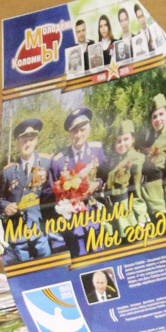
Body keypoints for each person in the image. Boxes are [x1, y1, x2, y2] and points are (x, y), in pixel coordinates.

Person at [0, 118, 52, 264]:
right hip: (18, 236)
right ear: (17, 142)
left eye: (31, 139)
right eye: (24, 139)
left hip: (41, 233)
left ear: (36, 140)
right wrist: (5, 206)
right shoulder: (8, 171)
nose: (27, 143)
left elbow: (53, 194)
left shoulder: (47, 163)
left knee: (48, 268)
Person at [48, 107, 105, 256]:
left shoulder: (97, 150)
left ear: (89, 129)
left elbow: (106, 176)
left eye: (82, 129)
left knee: (99, 256)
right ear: (69, 134)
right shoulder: (59, 160)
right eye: (74, 131)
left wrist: (97, 183)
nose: (78, 135)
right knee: (78, 258)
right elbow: (52, 191)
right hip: (72, 223)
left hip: (94, 216)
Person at [140, 94, 166, 224]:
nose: (158, 119)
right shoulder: (150, 142)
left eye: (161, 114)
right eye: (154, 116)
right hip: (151, 205)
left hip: (165, 207)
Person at [103, 119, 150, 237]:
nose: (122, 144)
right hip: (114, 215)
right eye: (118, 141)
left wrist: (141, 218)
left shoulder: (137, 158)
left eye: (126, 139)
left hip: (129, 217)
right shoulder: (114, 162)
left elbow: (137, 191)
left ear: (133, 139)